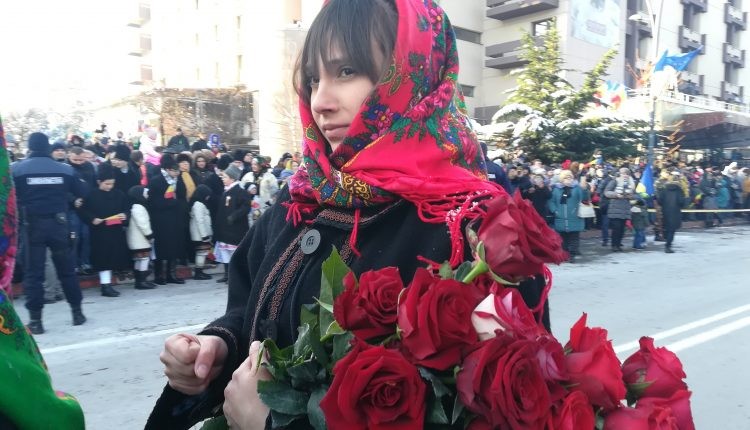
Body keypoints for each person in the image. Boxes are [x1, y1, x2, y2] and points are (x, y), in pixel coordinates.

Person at [147, 1, 552, 428]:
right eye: (312, 79)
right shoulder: (303, 196)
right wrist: (217, 347)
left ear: (412, 71)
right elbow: (253, 308)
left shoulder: (474, 228)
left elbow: (504, 411)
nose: (320, 101)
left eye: (346, 71)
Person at [12, 132, 87, 334]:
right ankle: (77, 313)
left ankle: (36, 321)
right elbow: (82, 191)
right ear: (48, 147)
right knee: (67, 271)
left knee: (33, 274)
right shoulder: (65, 169)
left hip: (31, 227)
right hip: (59, 225)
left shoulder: (17, 169)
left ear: (30, 147)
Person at [78, 164, 130, 297]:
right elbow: (83, 210)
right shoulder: (91, 194)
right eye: (106, 184)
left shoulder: (119, 194)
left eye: (112, 184)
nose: (109, 187)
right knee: (103, 258)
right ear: (99, 182)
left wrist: (125, 215)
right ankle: (105, 285)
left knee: (113, 256)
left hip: (115, 231)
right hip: (99, 232)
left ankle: (108, 283)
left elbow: (126, 209)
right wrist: (92, 218)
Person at [148, 154, 188, 285]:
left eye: (178, 171)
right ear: (167, 169)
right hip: (161, 220)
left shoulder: (178, 180)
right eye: (174, 171)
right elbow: (154, 202)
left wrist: (177, 203)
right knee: (161, 247)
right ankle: (159, 275)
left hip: (175, 218)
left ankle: (172, 274)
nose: (177, 173)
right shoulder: (156, 181)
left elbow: (182, 196)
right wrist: (172, 202)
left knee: (174, 246)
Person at [212, 165, 250, 283]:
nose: (223, 179)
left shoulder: (240, 192)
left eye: (225, 177)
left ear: (232, 178)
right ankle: (226, 275)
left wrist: (234, 216)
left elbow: (246, 207)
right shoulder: (226, 191)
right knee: (225, 253)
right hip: (224, 229)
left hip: (235, 229)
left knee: (234, 253)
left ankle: (234, 277)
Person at [548, 170, 589, 262]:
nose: (568, 179)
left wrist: (584, 189)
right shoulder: (557, 189)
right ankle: (565, 254)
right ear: (562, 179)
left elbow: (584, 198)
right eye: (566, 178)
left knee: (574, 238)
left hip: (575, 217)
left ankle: (572, 255)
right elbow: (551, 201)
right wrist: (555, 211)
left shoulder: (577, 188)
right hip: (561, 218)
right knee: (563, 239)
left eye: (570, 177)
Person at [126, 185, 157, 289]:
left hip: (136, 240)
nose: (147, 195)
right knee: (144, 258)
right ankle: (142, 281)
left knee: (138, 259)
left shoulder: (133, 207)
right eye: (145, 193)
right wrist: (149, 235)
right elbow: (143, 224)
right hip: (140, 239)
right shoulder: (139, 207)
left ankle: (138, 281)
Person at [604, 167, 635, 252]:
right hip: (615, 208)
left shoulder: (631, 183)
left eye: (626, 174)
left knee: (622, 229)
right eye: (623, 173)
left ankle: (618, 244)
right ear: (619, 174)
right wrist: (616, 195)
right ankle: (614, 245)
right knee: (616, 228)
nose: (625, 175)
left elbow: (634, 195)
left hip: (625, 209)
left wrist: (630, 196)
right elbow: (606, 192)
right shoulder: (614, 181)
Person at [656, 170, 686, 253]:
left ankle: (666, 240)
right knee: (672, 230)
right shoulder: (679, 190)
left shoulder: (664, 189)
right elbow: (681, 201)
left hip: (665, 211)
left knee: (666, 227)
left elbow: (659, 201)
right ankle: (668, 245)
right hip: (675, 212)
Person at [189, 185, 214, 280]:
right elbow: (200, 221)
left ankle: (200, 271)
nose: (208, 197)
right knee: (201, 253)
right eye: (207, 194)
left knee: (202, 252)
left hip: (200, 234)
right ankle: (198, 273)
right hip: (200, 234)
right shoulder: (198, 205)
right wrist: (204, 235)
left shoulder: (198, 204)